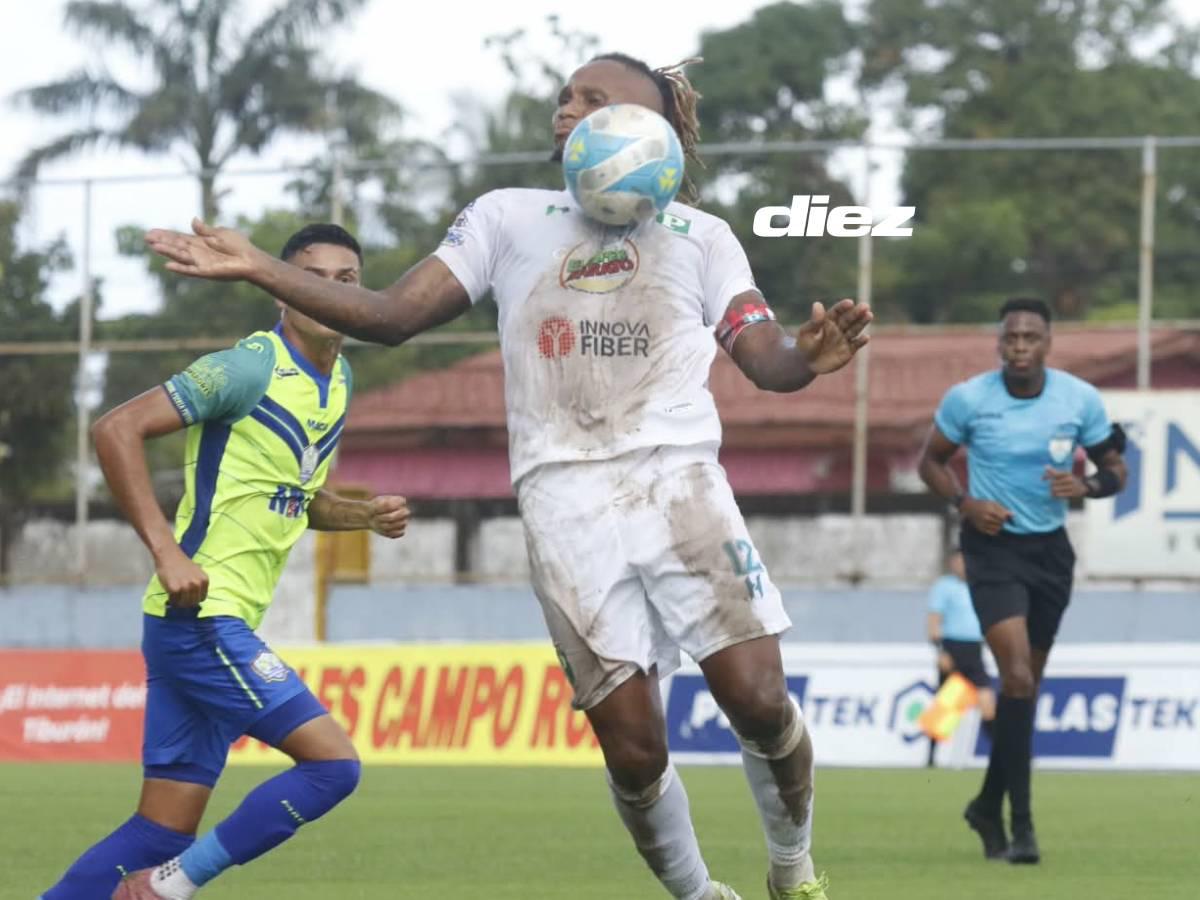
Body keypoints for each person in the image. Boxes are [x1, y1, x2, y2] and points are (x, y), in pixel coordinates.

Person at [145, 54, 872, 900]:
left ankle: (793, 870)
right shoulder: (506, 219)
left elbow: (765, 356)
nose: (567, 111)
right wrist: (262, 266)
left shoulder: (702, 237)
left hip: (680, 487)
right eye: (565, 98)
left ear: (652, 126)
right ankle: (701, 896)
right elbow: (392, 316)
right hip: (563, 502)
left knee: (757, 697)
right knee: (634, 749)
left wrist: (807, 359)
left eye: (592, 99)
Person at [38, 224, 411, 900]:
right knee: (333, 768)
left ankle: (150, 876)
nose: (330, 293)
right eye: (314, 278)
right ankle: (169, 888)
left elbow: (296, 498)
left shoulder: (339, 381)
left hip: (197, 624)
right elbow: (114, 428)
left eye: (347, 282)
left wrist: (362, 516)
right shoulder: (249, 368)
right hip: (203, 614)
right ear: (281, 290)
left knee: (159, 832)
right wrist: (166, 552)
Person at [917, 297, 1127, 864]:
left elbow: (1115, 469)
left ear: (1048, 344)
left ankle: (985, 803)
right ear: (999, 343)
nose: (1019, 347)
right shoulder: (969, 399)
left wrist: (1085, 487)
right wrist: (965, 503)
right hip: (991, 548)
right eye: (1010, 338)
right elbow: (930, 462)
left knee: (1022, 690)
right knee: (1013, 675)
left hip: (1050, 555)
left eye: (1030, 338)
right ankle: (1023, 827)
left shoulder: (1078, 399)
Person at [925, 547, 995, 768]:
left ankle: (1001, 755)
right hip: (952, 649)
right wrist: (940, 651)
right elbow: (934, 620)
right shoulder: (944, 587)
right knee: (944, 706)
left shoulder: (980, 586)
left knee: (987, 703)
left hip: (974, 650)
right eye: (958, 561)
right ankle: (931, 759)